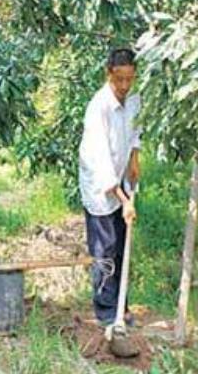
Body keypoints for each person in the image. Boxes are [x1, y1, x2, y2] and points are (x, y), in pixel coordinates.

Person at [79, 48, 141, 326]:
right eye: (119, 80)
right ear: (109, 74)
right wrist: (123, 199)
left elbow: (135, 131)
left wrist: (135, 158)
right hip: (100, 186)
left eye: (130, 79)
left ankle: (121, 307)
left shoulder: (134, 99)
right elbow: (101, 158)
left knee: (121, 246)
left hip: (122, 178)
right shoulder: (98, 108)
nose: (124, 86)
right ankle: (106, 312)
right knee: (105, 249)